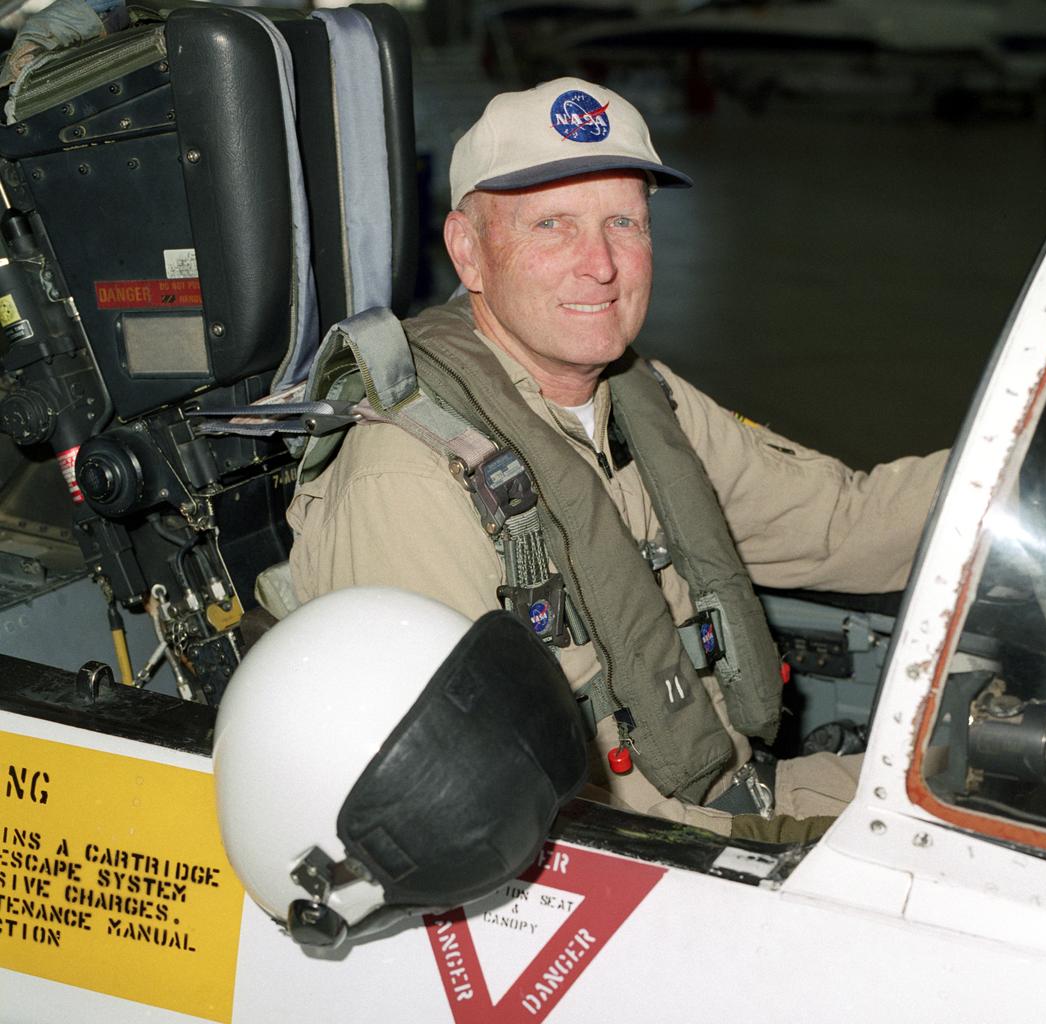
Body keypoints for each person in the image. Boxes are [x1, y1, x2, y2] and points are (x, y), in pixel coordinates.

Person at [287, 77, 947, 841]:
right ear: (468, 252)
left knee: (1016, 796)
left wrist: (1033, 467)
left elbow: (842, 524)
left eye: (625, 222)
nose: (600, 264)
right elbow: (458, 809)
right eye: (552, 226)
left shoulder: (639, 397)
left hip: (732, 796)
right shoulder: (407, 474)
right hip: (617, 862)